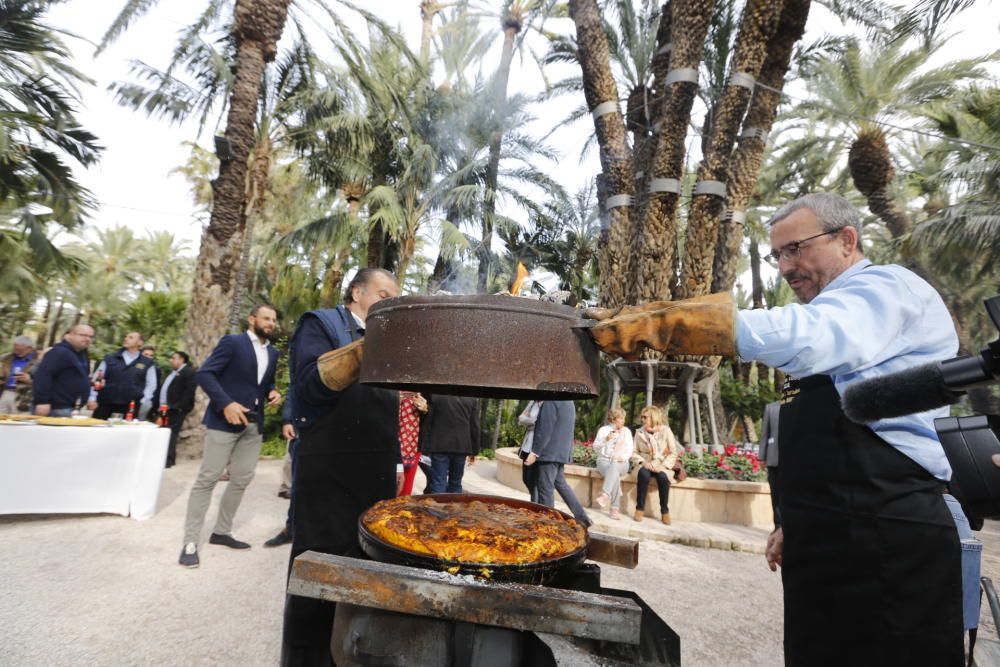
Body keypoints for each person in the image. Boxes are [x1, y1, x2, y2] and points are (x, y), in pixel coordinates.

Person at [586, 192, 965, 666]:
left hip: (887, 535)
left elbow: (813, 336)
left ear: (847, 240)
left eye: (797, 249)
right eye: (779, 255)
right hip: (823, 536)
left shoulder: (886, 290)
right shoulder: (832, 314)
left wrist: (669, 324)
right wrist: (792, 521)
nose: (786, 267)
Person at [281, 268, 401, 666]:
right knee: (319, 564)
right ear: (357, 292)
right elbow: (309, 385)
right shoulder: (321, 323)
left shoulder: (395, 340)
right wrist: (367, 346)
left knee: (369, 560)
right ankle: (306, 656)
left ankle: (352, 653)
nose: (389, 302)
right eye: (383, 293)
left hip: (377, 464)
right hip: (327, 464)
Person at [179, 304, 280, 569]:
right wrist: (226, 403)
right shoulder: (232, 342)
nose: (270, 323)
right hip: (224, 421)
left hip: (252, 426)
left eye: (273, 320)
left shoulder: (272, 351)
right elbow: (205, 373)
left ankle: (221, 532)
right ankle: (190, 542)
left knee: (242, 478)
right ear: (252, 319)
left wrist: (273, 392)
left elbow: (263, 384)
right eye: (266, 318)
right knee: (208, 478)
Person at [524, 400, 591, 528]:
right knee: (561, 484)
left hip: (549, 453)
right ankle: (583, 518)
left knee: (545, 489)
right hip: (561, 452)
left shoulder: (551, 401)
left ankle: (548, 526)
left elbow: (545, 428)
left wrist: (535, 452)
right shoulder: (569, 401)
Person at [90, 331, 157, 420]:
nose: (126, 339)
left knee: (125, 432)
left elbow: (151, 384)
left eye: (131, 337)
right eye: (126, 336)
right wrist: (92, 397)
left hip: (130, 406)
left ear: (140, 342)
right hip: (105, 404)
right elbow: (97, 379)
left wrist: (143, 400)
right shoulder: (110, 358)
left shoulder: (147, 362)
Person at [421, 393, 480, 494]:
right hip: (461, 447)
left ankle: (437, 509)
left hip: (439, 445)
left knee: (438, 482)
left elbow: (428, 421)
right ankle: (453, 509)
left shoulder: (435, 395)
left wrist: (425, 447)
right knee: (456, 483)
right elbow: (474, 426)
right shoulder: (471, 398)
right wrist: (474, 451)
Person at [631, 405, 680, 525]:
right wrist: (643, 462)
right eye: (642, 417)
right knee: (643, 474)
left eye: (645, 417)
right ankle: (639, 508)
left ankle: (664, 511)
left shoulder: (666, 431)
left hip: (661, 464)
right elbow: (633, 452)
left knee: (663, 478)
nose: (642, 419)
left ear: (653, 417)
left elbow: (673, 452)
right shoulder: (639, 432)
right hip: (645, 463)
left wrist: (662, 466)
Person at [32, 325, 94, 417]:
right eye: (83, 335)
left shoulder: (82, 355)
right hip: (55, 408)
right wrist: (42, 401)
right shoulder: (59, 352)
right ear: (69, 335)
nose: (87, 339)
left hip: (71, 408)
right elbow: (43, 376)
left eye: (91, 337)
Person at [263, 398, 297, 548]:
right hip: (304, 426)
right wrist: (287, 420)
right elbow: (294, 389)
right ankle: (291, 529)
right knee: (298, 485)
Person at [593, 406, 633, 520]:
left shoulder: (627, 432)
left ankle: (605, 494)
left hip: (622, 463)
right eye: (620, 418)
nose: (623, 421)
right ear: (613, 419)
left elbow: (630, 450)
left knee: (615, 466)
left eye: (623, 418)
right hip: (604, 461)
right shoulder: (604, 430)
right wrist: (606, 440)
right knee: (614, 475)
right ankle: (614, 509)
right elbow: (595, 448)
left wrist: (622, 457)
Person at [157, 351, 196, 468]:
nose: (171, 360)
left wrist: (178, 406)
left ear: (182, 359)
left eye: (174, 358)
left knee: (171, 433)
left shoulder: (188, 372)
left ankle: (169, 460)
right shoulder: (174, 372)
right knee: (165, 432)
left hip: (176, 409)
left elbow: (189, 392)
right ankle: (163, 457)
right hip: (165, 408)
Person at [397, 391, 427, 496]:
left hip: (413, 447)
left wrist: (425, 409)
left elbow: (432, 419)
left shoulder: (423, 391)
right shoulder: (388, 389)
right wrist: (393, 402)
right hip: (391, 446)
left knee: (406, 488)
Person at [758, 400, 781, 528]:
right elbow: (765, 434)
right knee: (775, 495)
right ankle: (777, 525)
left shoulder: (799, 407)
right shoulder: (771, 408)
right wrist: (762, 457)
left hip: (792, 461)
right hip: (773, 459)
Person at [0, 336, 38, 414]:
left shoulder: (38, 361)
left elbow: (44, 381)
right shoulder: (6, 358)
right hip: (6, 392)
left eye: (20, 349)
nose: (16, 350)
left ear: (29, 348)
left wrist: (29, 380)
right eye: (15, 347)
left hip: (24, 396)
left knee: (19, 421)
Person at [518, 400, 543, 502]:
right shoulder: (532, 403)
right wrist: (532, 421)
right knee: (526, 478)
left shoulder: (545, 404)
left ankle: (535, 504)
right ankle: (536, 501)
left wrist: (528, 419)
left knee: (534, 481)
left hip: (537, 446)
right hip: (526, 445)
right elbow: (520, 419)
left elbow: (541, 422)